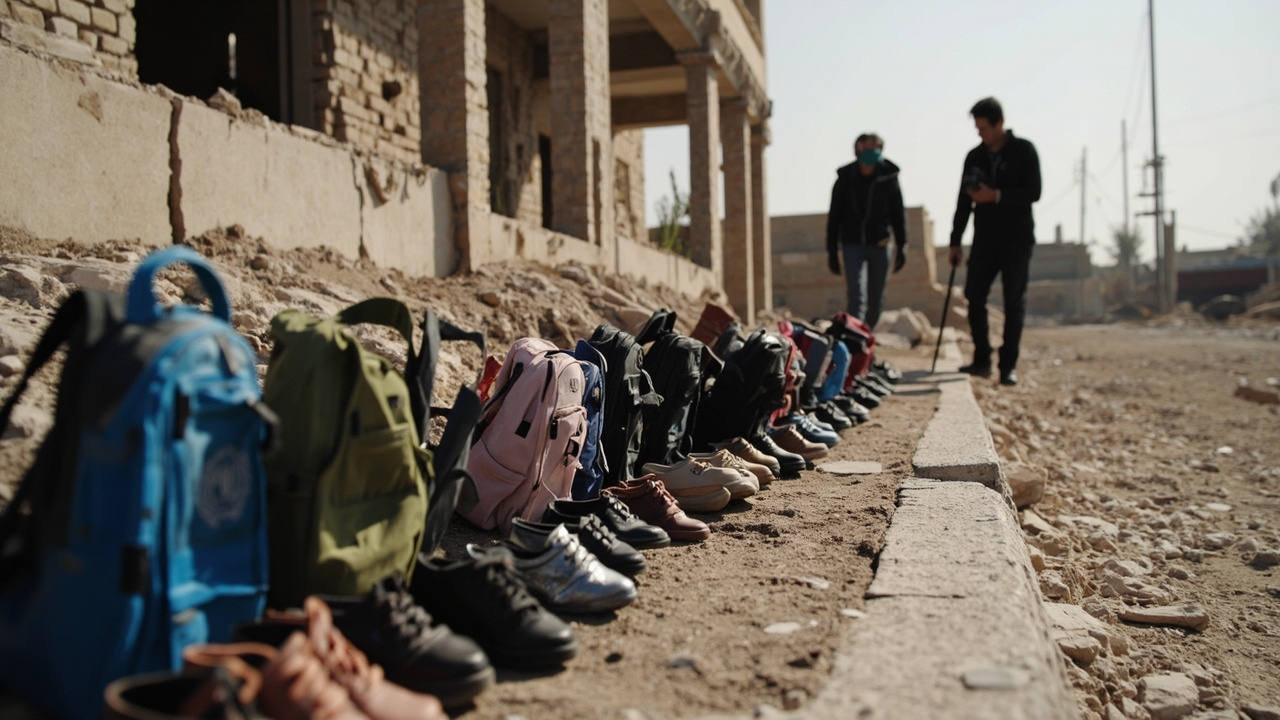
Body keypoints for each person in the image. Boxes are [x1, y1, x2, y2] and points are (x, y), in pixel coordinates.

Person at [948, 97, 1041, 387]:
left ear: (999, 123)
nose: (980, 133)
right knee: (974, 296)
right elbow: (963, 201)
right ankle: (982, 360)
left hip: (1017, 239)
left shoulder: (1024, 151)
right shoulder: (974, 157)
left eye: (984, 128)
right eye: (977, 128)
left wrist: (997, 195)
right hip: (984, 239)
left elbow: (1034, 192)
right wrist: (955, 241)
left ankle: (1007, 367)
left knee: (1014, 302)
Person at [826, 132, 908, 332]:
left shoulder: (889, 178)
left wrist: (902, 246)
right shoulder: (844, 179)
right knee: (856, 296)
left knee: (876, 298)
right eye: (870, 147)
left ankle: (866, 335)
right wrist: (832, 252)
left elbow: (898, 214)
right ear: (858, 149)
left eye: (878, 148)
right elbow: (834, 217)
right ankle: (853, 337)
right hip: (852, 245)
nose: (875, 152)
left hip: (880, 245)